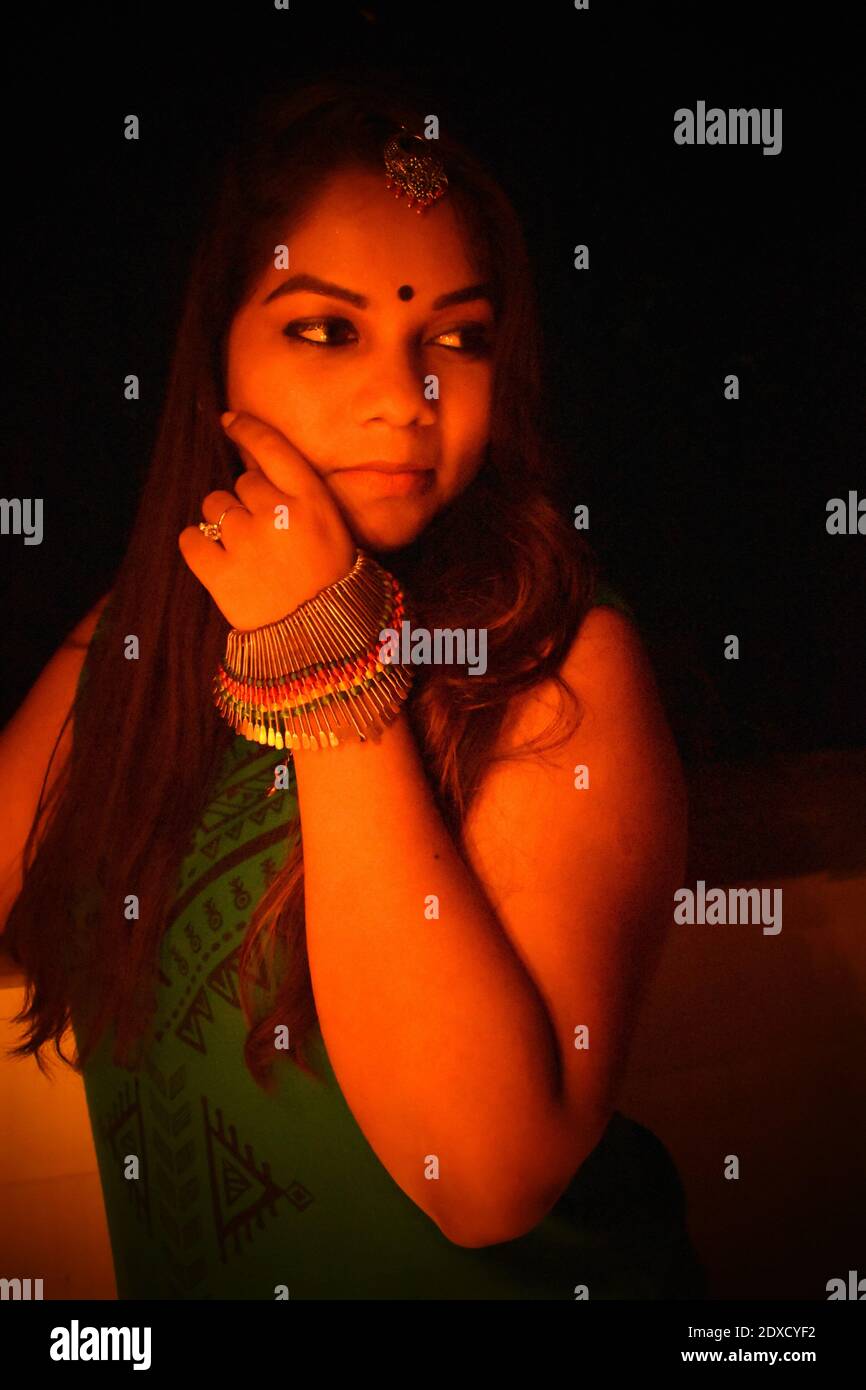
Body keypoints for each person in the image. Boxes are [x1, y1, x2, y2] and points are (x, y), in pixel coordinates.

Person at [1, 75, 706, 1299]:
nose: (405, 399)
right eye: (327, 330)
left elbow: (481, 1176)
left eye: (457, 337)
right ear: (216, 344)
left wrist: (323, 656)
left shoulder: (554, 661)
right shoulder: (136, 641)